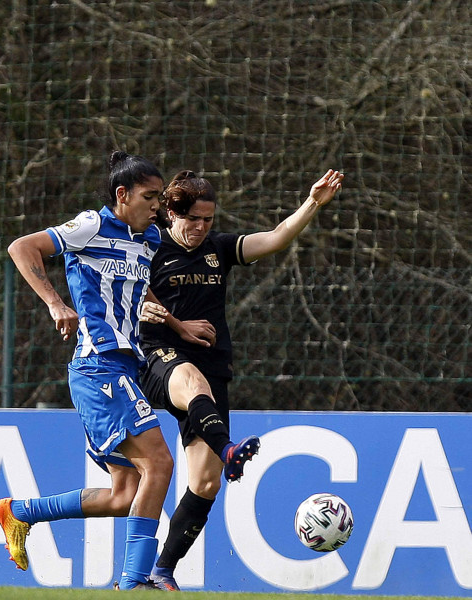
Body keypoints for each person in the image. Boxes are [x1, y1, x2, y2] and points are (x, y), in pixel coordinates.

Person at [138, 168, 345, 590]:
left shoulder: (218, 249)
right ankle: (231, 450)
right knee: (191, 381)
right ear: (171, 215)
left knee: (206, 483)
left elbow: (275, 237)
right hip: (160, 356)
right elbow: (131, 289)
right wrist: (176, 324)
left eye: (208, 220)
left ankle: (160, 572)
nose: (201, 227)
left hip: (212, 368)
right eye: (193, 219)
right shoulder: (148, 245)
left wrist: (312, 203)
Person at [0, 151, 175, 590]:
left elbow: (132, 286)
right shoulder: (91, 225)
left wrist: (173, 321)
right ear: (122, 194)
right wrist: (57, 303)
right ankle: (134, 582)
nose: (157, 206)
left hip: (123, 367)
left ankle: (20, 512)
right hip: (98, 367)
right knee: (161, 463)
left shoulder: (148, 238)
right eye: (150, 197)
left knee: (123, 496)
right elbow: (22, 247)